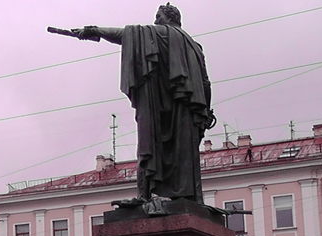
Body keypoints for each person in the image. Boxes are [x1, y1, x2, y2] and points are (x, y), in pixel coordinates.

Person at [71, 3, 215, 204]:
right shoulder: (196, 47)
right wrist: (206, 111)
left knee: (150, 144)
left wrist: (95, 31)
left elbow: (126, 35)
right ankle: (184, 198)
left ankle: (146, 195)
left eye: (159, 16)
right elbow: (206, 82)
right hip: (189, 109)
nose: (155, 20)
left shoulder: (161, 33)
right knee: (184, 154)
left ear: (170, 18)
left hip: (160, 107)